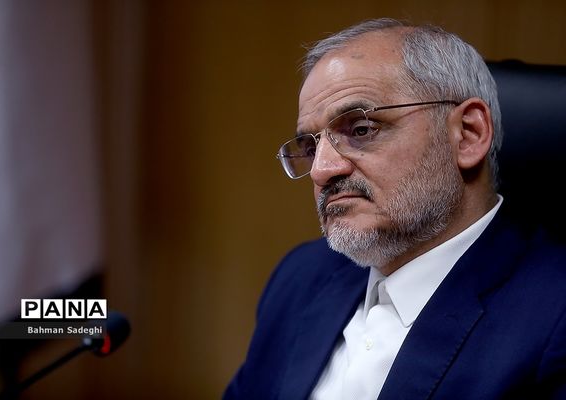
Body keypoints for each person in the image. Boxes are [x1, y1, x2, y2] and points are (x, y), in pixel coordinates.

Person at [224, 18, 566, 400]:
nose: (321, 170)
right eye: (310, 146)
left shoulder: (555, 317)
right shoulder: (300, 278)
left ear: (468, 134)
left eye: (361, 129)